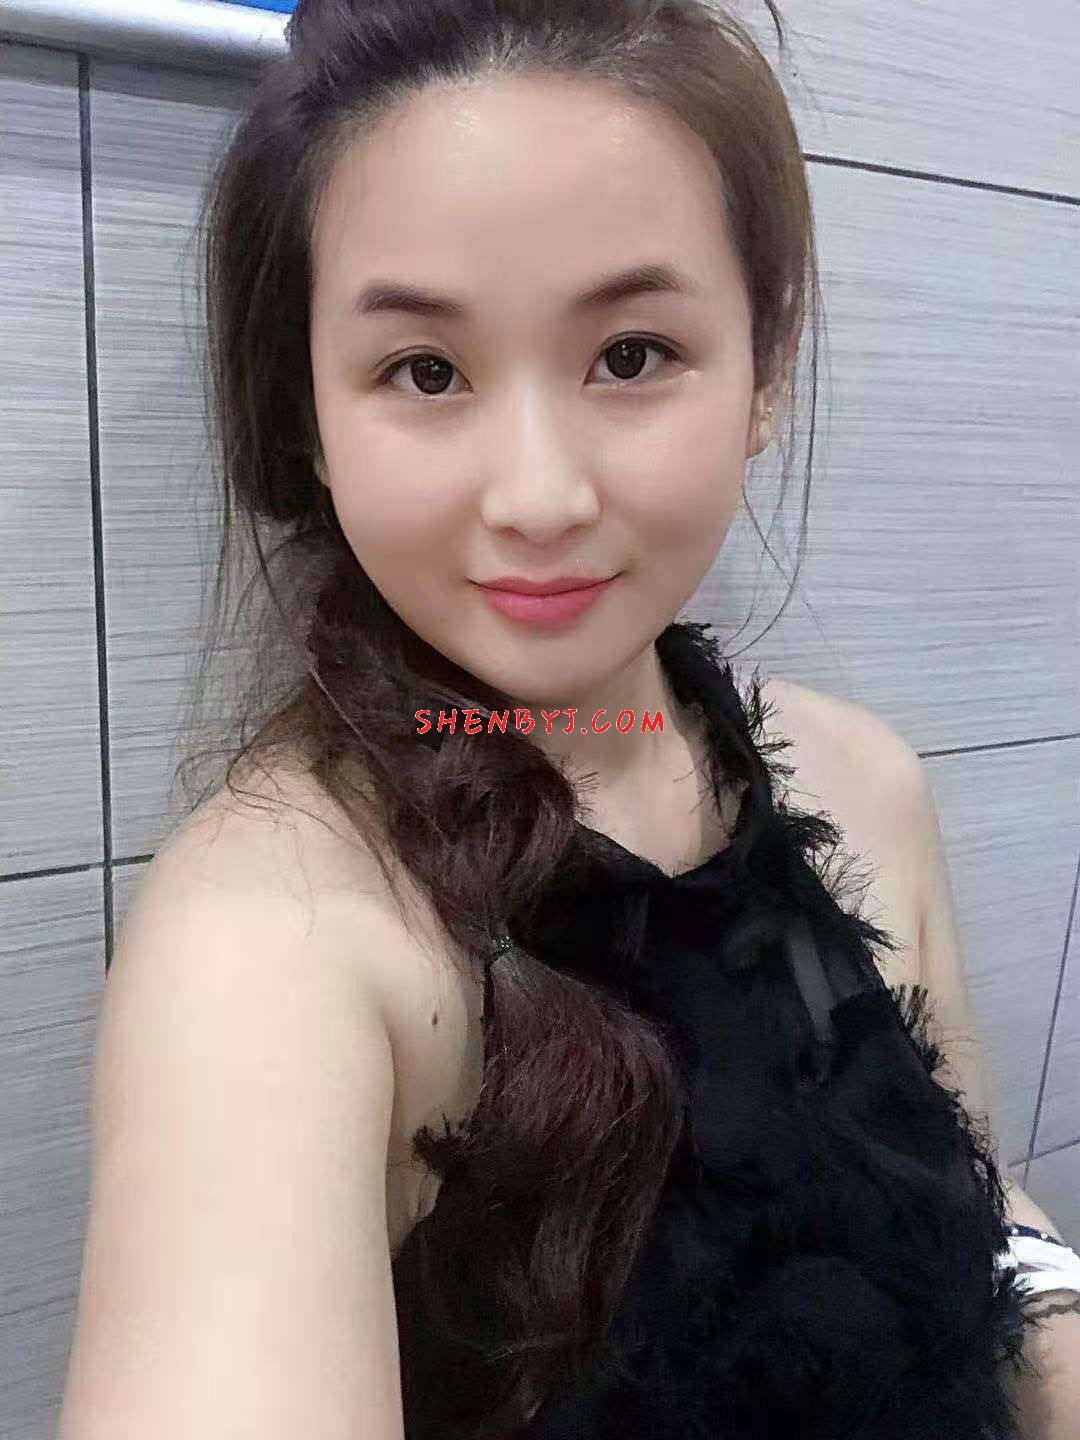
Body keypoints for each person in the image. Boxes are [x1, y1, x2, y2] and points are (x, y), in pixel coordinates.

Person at [57, 2, 1080, 1438]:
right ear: (310, 418)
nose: (539, 497)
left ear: (766, 366)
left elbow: (970, 1202)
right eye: (427, 372)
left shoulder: (864, 784)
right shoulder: (273, 941)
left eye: (631, 355)